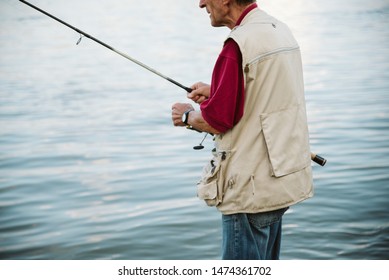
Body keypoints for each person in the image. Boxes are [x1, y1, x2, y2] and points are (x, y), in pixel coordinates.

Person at [171, 0, 313, 260]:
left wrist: (188, 116)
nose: (201, 3)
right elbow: (268, 93)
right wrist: (217, 90)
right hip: (278, 181)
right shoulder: (278, 29)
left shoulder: (237, 44)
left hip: (249, 187)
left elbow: (219, 122)